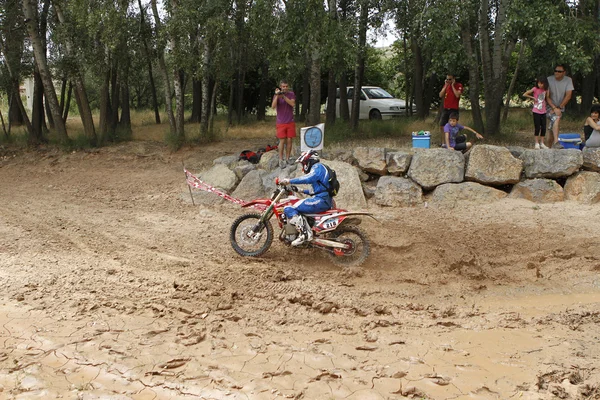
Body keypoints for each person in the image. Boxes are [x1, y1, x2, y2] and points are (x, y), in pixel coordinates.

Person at [277, 151, 333, 246]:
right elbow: (314, 191)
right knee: (297, 206)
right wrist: (300, 190)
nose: (303, 167)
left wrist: (289, 181)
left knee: (289, 208)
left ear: (309, 161)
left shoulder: (317, 167)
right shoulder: (320, 169)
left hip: (320, 200)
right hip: (322, 199)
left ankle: (305, 234)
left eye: (304, 163)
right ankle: (303, 231)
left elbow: (308, 178)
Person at [546, 64, 574, 148]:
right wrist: (554, 108)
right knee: (556, 118)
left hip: (560, 107)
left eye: (559, 71)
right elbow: (546, 96)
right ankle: (556, 142)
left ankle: (549, 148)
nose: (557, 73)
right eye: (555, 71)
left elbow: (568, 95)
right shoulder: (549, 80)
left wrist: (559, 107)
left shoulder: (568, 80)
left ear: (564, 72)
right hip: (548, 106)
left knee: (552, 127)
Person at [271, 80, 296, 169]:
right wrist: (277, 96)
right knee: (282, 141)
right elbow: (273, 106)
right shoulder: (277, 95)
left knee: (289, 140)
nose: (285, 88)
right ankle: (281, 159)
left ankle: (288, 158)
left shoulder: (291, 94)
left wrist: (284, 97)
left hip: (290, 121)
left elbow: (292, 104)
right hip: (281, 122)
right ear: (280, 87)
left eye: (286, 86)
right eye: (283, 86)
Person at [523, 77, 550, 149]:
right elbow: (525, 94)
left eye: (541, 83)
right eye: (539, 83)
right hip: (536, 110)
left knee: (543, 127)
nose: (540, 85)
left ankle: (542, 143)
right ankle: (536, 142)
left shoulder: (546, 90)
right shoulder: (535, 89)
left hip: (543, 111)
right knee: (537, 127)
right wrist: (532, 97)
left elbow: (547, 99)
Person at [439, 74, 463, 141]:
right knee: (442, 125)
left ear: (453, 79)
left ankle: (454, 141)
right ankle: (444, 142)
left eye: (450, 79)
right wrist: (445, 86)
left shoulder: (459, 85)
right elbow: (440, 95)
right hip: (446, 108)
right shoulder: (446, 86)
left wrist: (452, 86)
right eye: (447, 79)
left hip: (454, 109)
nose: (448, 81)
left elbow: (457, 95)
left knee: (453, 126)